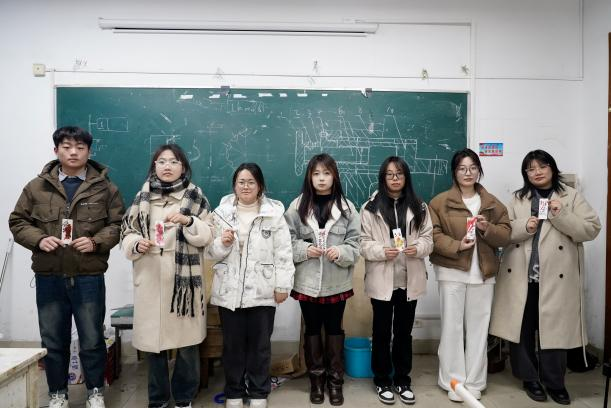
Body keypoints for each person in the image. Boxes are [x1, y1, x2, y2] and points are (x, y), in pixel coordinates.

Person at [8, 126, 124, 408]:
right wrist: (39, 239)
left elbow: (117, 224)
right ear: (56, 150)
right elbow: (18, 221)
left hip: (88, 276)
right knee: (52, 339)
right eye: (67, 147)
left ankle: (95, 392)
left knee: (92, 338)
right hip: (50, 276)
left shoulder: (105, 188)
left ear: (89, 151)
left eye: (80, 147)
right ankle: (57, 394)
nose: (73, 152)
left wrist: (95, 242)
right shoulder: (36, 187)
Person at [489, 149, 600, 405]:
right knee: (522, 329)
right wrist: (523, 227)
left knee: (555, 331)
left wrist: (561, 214)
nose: (537, 172)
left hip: (557, 278)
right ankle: (529, 378)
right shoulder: (517, 198)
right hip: (522, 276)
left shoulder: (571, 196)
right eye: (530, 169)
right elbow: (503, 231)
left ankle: (555, 382)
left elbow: (591, 229)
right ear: (525, 174)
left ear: (552, 168)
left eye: (542, 166)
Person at [120, 144, 213, 408]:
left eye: (173, 161)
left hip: (184, 285)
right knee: (154, 346)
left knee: (187, 345)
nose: (167, 166)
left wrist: (189, 221)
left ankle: (184, 398)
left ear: (183, 167)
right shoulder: (142, 197)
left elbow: (208, 235)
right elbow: (127, 233)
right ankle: (158, 399)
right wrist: (136, 244)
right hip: (150, 279)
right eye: (161, 161)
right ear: (155, 166)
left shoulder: (195, 196)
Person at [206, 163, 295, 408]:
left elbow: (284, 253)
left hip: (262, 290)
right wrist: (222, 243)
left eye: (251, 182)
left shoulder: (274, 214)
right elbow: (209, 252)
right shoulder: (220, 214)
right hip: (229, 291)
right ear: (234, 186)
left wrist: (282, 285)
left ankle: (258, 392)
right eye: (241, 182)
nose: (246, 186)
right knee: (232, 347)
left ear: (260, 186)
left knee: (260, 347)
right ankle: (234, 392)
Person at [428, 148, 511, 402]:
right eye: (462, 168)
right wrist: (457, 245)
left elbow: (505, 234)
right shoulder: (440, 202)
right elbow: (433, 235)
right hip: (451, 272)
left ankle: (475, 381)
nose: (468, 173)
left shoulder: (492, 203)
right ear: (454, 172)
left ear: (479, 171)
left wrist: (487, 228)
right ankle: (453, 381)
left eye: (473, 168)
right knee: (451, 329)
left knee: (479, 329)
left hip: (483, 274)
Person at [284, 154, 360, 406]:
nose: (321, 179)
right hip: (307, 282)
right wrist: (304, 249)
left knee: (335, 328)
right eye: (316, 173)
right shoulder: (297, 206)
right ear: (309, 176)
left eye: (326, 173)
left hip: (337, 281)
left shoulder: (347, 208)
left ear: (334, 176)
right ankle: (316, 381)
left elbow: (356, 243)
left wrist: (341, 252)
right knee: (313, 329)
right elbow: (286, 240)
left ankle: (335, 382)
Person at [360, 156, 433, 405]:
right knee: (381, 332)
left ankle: (402, 380)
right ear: (383, 178)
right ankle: (382, 381)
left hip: (409, 279)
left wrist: (418, 248)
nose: (394, 178)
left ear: (406, 177)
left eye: (399, 174)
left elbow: (428, 239)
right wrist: (382, 251)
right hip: (382, 280)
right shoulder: (370, 207)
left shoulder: (419, 206)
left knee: (404, 332)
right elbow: (363, 243)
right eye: (390, 174)